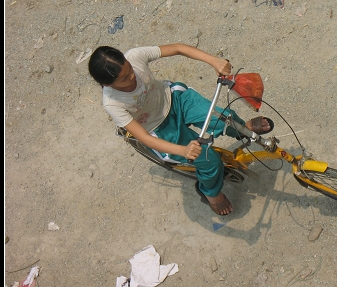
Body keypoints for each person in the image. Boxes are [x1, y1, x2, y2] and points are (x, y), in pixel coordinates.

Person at [88, 43, 274, 215]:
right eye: (124, 78)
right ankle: (211, 194)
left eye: (129, 68)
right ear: (107, 85)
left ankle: (241, 128)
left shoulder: (135, 56)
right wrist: (183, 150)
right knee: (209, 161)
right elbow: (144, 138)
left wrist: (213, 60)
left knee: (224, 117)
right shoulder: (113, 103)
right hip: (160, 128)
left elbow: (177, 48)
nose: (132, 76)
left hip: (175, 99)